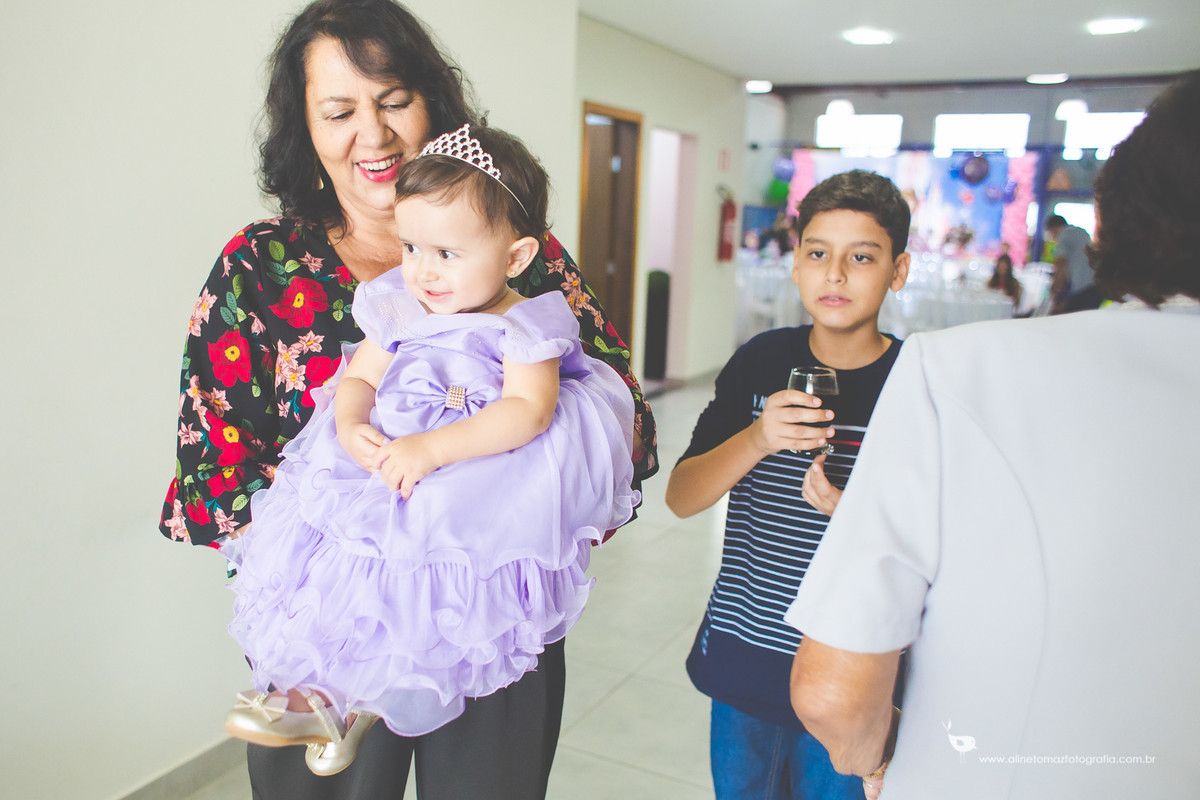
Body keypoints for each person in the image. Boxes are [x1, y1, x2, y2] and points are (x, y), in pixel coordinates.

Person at [158, 1, 657, 796]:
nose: (374, 133)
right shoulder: (263, 265)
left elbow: (628, 424)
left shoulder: (523, 258)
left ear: (433, 103)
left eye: (394, 101)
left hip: (488, 614)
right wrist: (326, 578)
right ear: (306, 127)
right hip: (336, 625)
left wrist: (507, 486)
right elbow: (213, 463)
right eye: (340, 110)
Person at [786, 70, 1200, 800]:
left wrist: (877, 763)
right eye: (817, 252)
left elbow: (832, 691)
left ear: (1111, 216)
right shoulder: (786, 362)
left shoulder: (963, 368)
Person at [223, 122, 639, 773]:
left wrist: (434, 450)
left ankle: (367, 702)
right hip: (387, 461)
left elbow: (525, 413)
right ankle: (325, 695)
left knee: (428, 573)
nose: (423, 269)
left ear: (517, 256)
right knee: (345, 568)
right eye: (411, 245)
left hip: (470, 473)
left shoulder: (525, 324)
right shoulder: (400, 305)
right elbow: (357, 376)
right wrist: (352, 423)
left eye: (448, 253)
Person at [664, 169, 911, 799]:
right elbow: (682, 497)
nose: (835, 274)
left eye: (862, 257)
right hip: (746, 655)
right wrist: (757, 439)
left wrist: (860, 516)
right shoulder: (760, 360)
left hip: (853, 672)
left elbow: (945, 540)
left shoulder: (916, 384)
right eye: (818, 254)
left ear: (898, 271)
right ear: (796, 265)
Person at [1044, 213, 1094, 313]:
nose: (1053, 239)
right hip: (1094, 286)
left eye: (1051, 234)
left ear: (1055, 228)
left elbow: (1060, 263)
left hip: (1081, 287)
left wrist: (1054, 287)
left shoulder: (1063, 234)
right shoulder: (1081, 232)